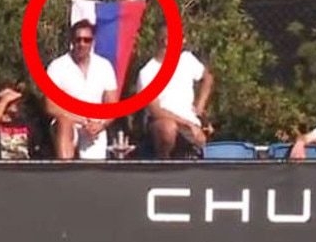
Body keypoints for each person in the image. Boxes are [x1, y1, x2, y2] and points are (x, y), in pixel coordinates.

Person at [133, 27, 214, 158]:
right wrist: (187, 124)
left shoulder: (187, 59)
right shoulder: (148, 72)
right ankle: (164, 164)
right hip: (163, 123)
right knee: (167, 128)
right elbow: (156, 111)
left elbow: (207, 78)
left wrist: (200, 106)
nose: (184, 41)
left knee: (200, 138)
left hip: (190, 122)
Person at [44, 19, 119, 160]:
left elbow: (112, 104)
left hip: (95, 126)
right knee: (64, 123)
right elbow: (50, 106)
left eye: (87, 40)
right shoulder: (57, 66)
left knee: (93, 170)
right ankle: (65, 171)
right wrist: (81, 120)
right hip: (68, 122)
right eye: (78, 40)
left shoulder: (104, 66)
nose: (82, 44)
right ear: (72, 40)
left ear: (92, 41)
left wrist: (101, 124)